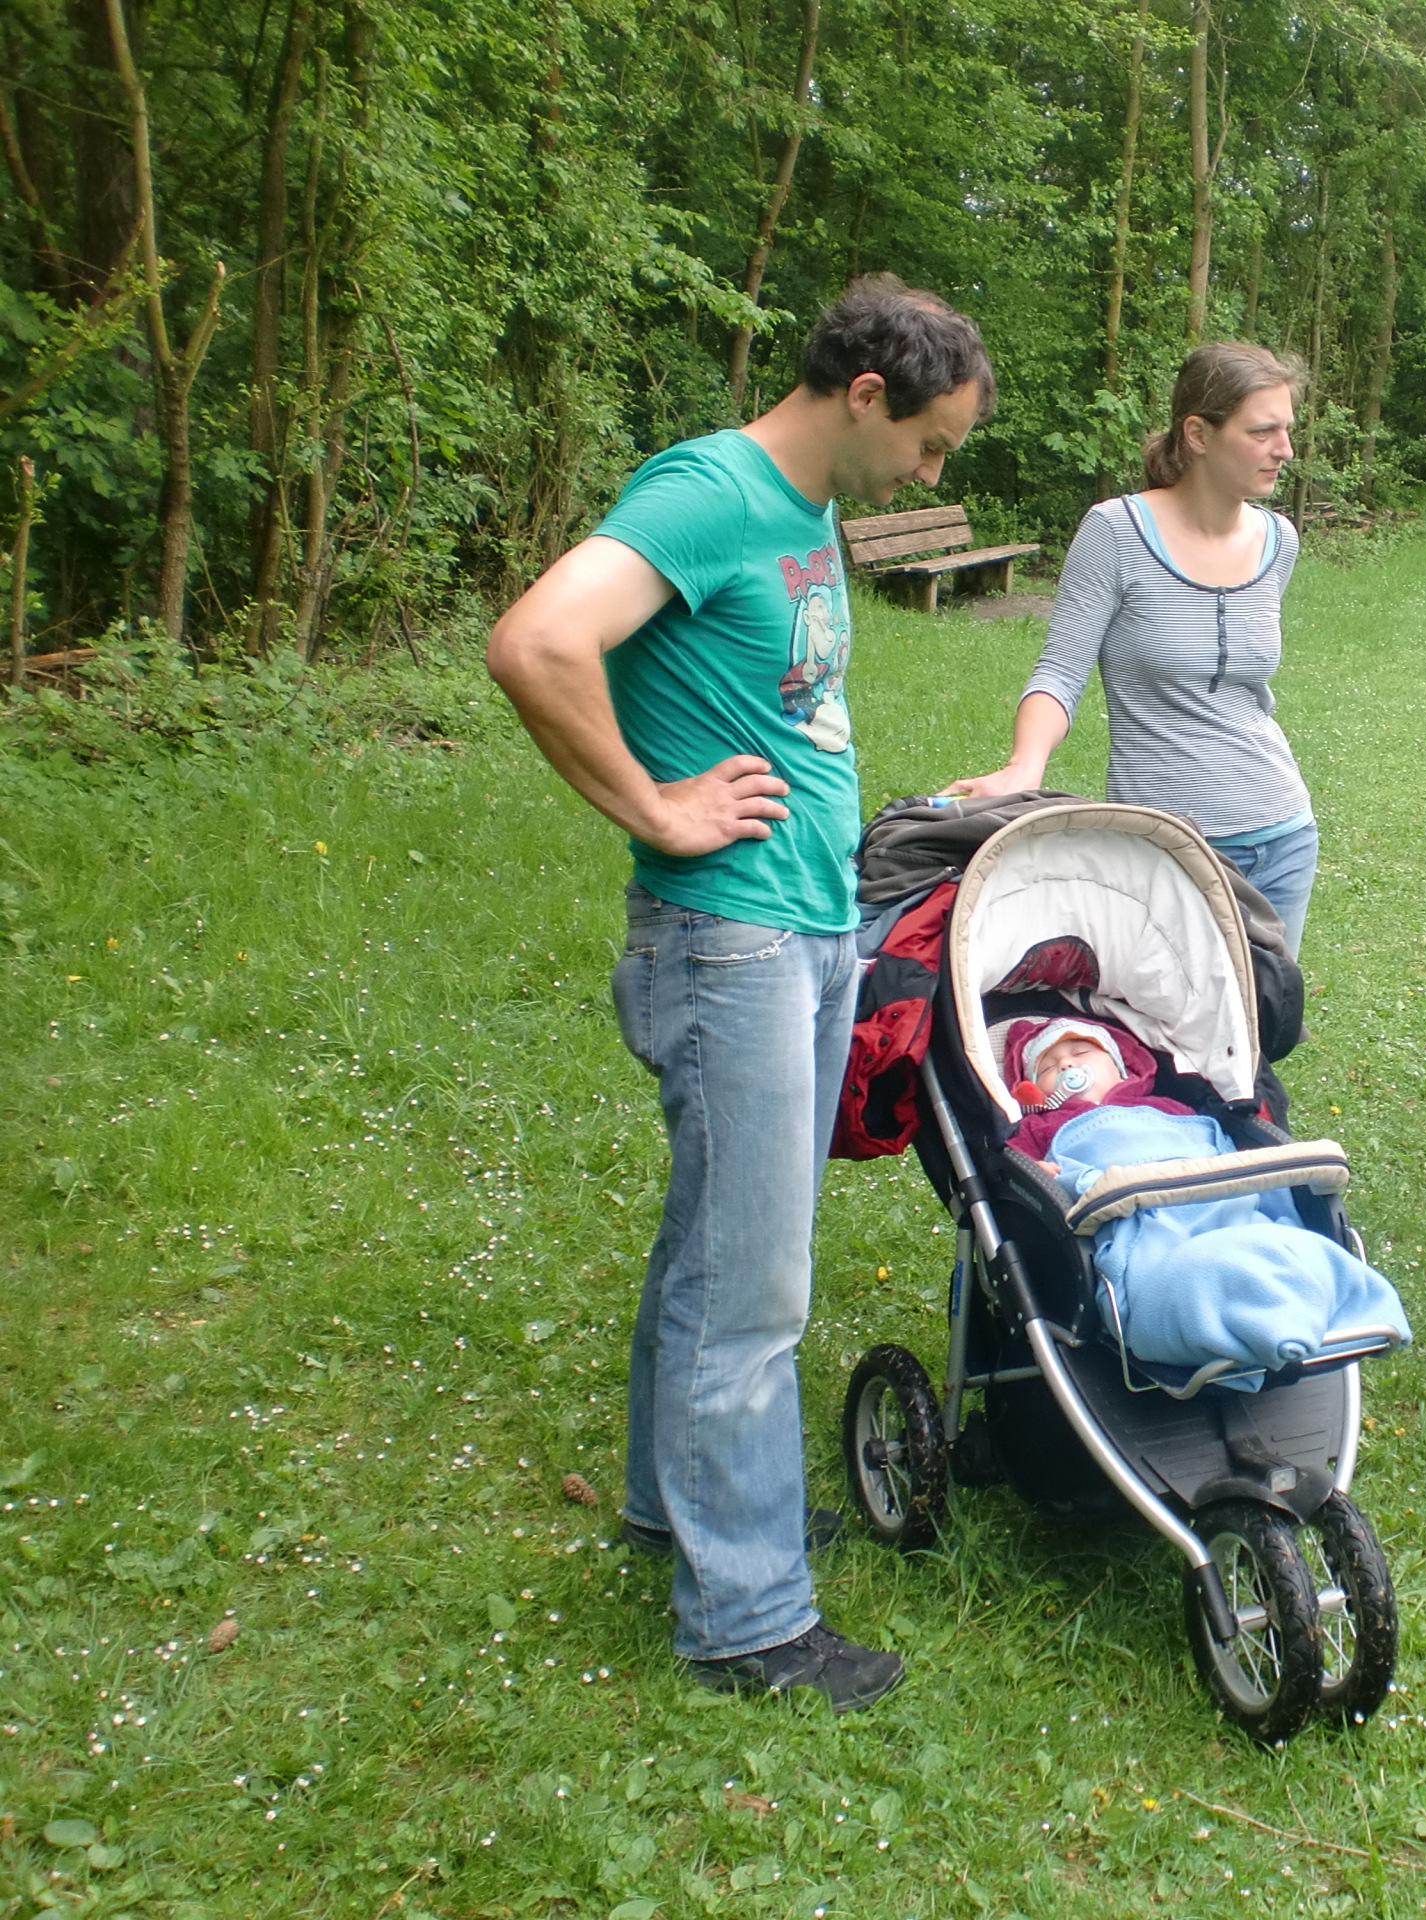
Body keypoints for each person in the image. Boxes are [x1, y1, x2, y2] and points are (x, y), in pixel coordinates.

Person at [485, 273, 994, 1714]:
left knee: (711, 1249)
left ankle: (681, 1507)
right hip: (731, 942)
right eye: (929, 444)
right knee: (752, 1286)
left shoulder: (807, 508)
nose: (930, 475)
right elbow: (534, 642)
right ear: (864, 395)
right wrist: (657, 809)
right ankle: (748, 1618)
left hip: (806, 926)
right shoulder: (711, 491)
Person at [946, 345, 1320, 954]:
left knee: (1264, 1013)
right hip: (1166, 843)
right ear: (1198, 434)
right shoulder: (1116, 532)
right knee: (1164, 1012)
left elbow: (1241, 692)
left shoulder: (1279, 540)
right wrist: (1025, 764)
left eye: (1287, 429)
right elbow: (1061, 670)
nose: (1286, 450)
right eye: (1263, 431)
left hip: (1283, 834)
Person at [1002, 1017, 1410, 1386]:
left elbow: (1216, 1145)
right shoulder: (1040, 1126)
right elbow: (1022, 1173)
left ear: (1123, 1066)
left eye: (1081, 1052)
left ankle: (1287, 1290)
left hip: (1213, 1195)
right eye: (1048, 1067)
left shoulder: (1168, 1107)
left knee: (1271, 1237)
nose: (1068, 1065)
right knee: (1189, 1270)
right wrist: (1044, 1172)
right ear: (1033, 1091)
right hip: (1137, 1221)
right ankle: (1264, 1311)